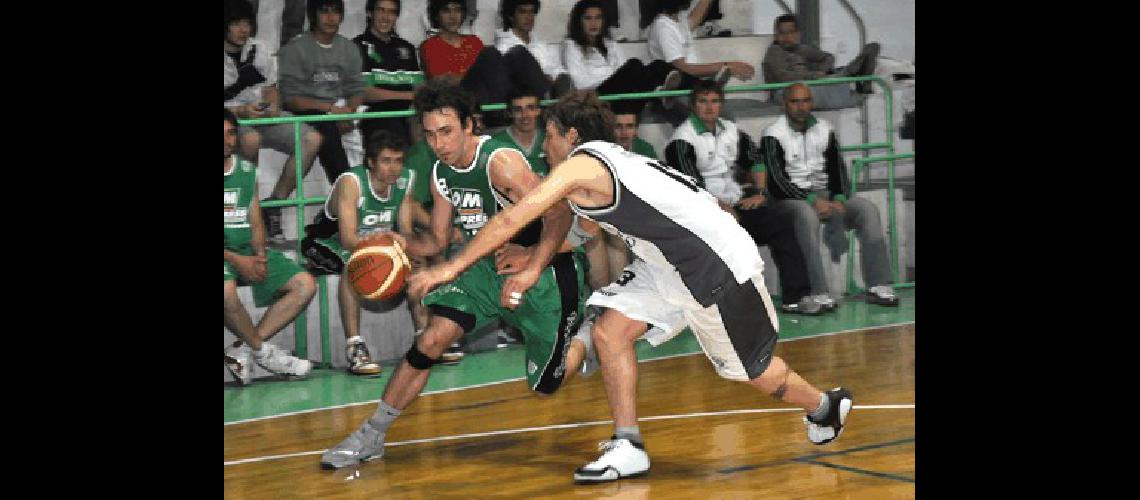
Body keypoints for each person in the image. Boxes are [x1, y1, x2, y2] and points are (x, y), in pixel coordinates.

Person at [408, 90, 853, 483]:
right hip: (667, 261)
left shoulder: (581, 165)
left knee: (750, 372)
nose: (545, 145)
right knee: (609, 331)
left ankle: (823, 406)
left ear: (572, 135)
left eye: (551, 134)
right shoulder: (605, 163)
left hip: (713, 265)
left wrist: (450, 268)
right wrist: (532, 258)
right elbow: (581, 231)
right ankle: (629, 445)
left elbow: (513, 216)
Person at [319, 82, 599, 469]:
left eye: (447, 131)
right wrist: (399, 243)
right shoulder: (439, 174)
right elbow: (436, 240)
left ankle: (588, 335)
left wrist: (533, 260)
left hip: (546, 272)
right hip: (484, 269)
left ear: (470, 125)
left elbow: (560, 214)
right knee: (432, 338)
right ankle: (372, 434)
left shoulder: (500, 162)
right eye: (430, 134)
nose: (439, 143)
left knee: (548, 383)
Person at [664, 79, 820, 314]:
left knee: (780, 225)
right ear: (692, 105)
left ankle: (795, 297)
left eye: (715, 101)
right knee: (730, 238)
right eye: (703, 102)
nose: (710, 107)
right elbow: (691, 188)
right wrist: (722, 209)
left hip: (736, 203)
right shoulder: (681, 140)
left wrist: (758, 192)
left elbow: (757, 160)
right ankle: (728, 307)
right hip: (703, 212)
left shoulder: (731, 130)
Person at [301, 130, 438, 375]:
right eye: (386, 161)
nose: (393, 168)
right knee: (353, 266)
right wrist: (387, 243)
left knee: (419, 263)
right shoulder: (351, 182)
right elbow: (348, 238)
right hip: (326, 242)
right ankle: (355, 346)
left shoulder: (406, 179)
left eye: (398, 161)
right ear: (371, 162)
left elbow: (405, 230)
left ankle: (425, 336)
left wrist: (405, 250)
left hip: (375, 244)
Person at [759, 83, 899, 308]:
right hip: (790, 200)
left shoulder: (825, 128)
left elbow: (837, 169)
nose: (801, 107)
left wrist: (840, 198)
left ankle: (878, 284)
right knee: (806, 216)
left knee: (867, 210)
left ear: (811, 103)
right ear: (785, 104)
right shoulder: (773, 134)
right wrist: (813, 200)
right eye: (795, 101)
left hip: (824, 193)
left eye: (805, 101)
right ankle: (818, 291)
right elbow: (776, 182)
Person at [223, 109, 317, 386]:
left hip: (246, 251)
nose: (226, 140)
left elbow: (255, 219)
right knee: (226, 292)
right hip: (227, 255)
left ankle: (244, 347)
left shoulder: (246, 171)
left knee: (305, 284)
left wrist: (260, 256)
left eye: (230, 133)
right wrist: (238, 261)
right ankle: (264, 352)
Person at [224, 0, 324, 243]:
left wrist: (273, 106)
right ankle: (249, 207)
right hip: (232, 121)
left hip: (263, 116)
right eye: (236, 24)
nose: (243, 29)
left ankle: (273, 204)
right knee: (250, 139)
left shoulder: (261, 47)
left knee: (312, 138)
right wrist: (241, 111)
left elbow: (272, 89)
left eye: (247, 23)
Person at [278, 0, 366, 190]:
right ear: (313, 15)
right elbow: (291, 100)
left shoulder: (349, 48)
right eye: (324, 11)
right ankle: (346, 195)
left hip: (339, 109)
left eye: (335, 12)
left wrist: (348, 111)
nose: (331, 18)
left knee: (379, 126)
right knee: (327, 129)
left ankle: (364, 200)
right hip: (308, 110)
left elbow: (357, 89)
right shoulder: (295, 48)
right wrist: (331, 110)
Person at [420, 0, 548, 113]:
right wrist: (478, 74)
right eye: (446, 11)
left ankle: (541, 111)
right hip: (458, 97)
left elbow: (489, 71)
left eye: (457, 10)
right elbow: (441, 81)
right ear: (437, 15)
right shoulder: (430, 45)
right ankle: (502, 111)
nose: (453, 16)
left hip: (486, 93)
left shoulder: (474, 41)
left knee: (518, 53)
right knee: (490, 53)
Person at [562, 0, 682, 99]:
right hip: (596, 95)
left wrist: (620, 79)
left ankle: (661, 92)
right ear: (579, 22)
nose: (593, 23)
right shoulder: (571, 45)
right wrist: (612, 79)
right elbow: (580, 83)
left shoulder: (611, 44)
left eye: (598, 18)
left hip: (620, 91)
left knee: (658, 65)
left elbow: (623, 70)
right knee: (634, 65)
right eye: (588, 18)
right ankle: (657, 94)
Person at [762, 14, 880, 109]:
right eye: (782, 33)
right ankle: (854, 78)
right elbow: (786, 78)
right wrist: (814, 75)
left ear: (798, 34)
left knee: (821, 85)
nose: (787, 37)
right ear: (776, 36)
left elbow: (828, 57)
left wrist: (821, 71)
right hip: (783, 92)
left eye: (791, 32)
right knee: (810, 94)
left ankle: (852, 76)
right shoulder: (774, 52)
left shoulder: (801, 49)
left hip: (807, 83)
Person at [353, 0, 423, 143]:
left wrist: (414, 98)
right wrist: (410, 95)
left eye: (391, 12)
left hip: (409, 112)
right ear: (370, 13)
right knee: (395, 134)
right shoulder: (357, 46)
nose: (386, 17)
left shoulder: (407, 48)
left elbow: (420, 89)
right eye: (381, 10)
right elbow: (367, 93)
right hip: (375, 113)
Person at [645, 0, 754, 92]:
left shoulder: (678, 21)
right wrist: (727, 66)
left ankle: (709, 87)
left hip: (691, 87)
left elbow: (695, 18)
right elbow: (683, 69)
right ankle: (708, 87)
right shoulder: (663, 28)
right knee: (723, 114)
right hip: (680, 92)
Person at [494, 0, 573, 98]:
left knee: (564, 78)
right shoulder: (503, 46)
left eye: (532, 12)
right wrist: (546, 78)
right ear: (511, 16)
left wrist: (555, 78)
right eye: (523, 12)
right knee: (518, 53)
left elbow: (558, 71)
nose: (529, 17)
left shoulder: (541, 44)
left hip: (550, 96)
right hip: (523, 101)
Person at [491, 89, 549, 176]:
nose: (525, 115)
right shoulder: (496, 144)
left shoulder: (549, 139)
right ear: (509, 113)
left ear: (539, 111)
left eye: (530, 108)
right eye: (518, 110)